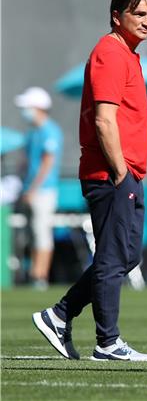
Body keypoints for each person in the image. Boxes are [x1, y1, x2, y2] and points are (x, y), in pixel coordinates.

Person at [32, 0, 147, 362]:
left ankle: (60, 314)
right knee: (112, 254)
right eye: (139, 14)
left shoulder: (128, 55)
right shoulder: (110, 52)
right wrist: (120, 170)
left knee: (126, 255)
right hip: (111, 173)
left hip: (126, 173)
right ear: (116, 17)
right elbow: (104, 120)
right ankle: (107, 341)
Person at [14, 87, 63, 289]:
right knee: (31, 234)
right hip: (29, 190)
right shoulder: (32, 133)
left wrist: (33, 189)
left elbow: (47, 163)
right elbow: (27, 163)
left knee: (41, 233)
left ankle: (40, 276)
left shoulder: (50, 131)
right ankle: (33, 273)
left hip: (43, 191)